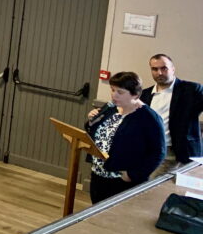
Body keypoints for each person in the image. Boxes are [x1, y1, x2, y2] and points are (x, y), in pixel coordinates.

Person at [85, 71, 165, 204]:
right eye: (112, 90)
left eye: (120, 92)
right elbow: (96, 132)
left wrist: (132, 175)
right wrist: (90, 121)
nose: (114, 95)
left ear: (135, 94)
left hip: (121, 180)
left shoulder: (149, 118)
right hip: (99, 174)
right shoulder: (111, 109)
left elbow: (158, 152)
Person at [140, 54, 203, 174]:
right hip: (150, 151)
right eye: (155, 69)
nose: (159, 73)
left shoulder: (191, 90)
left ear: (173, 69)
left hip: (179, 153)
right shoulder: (145, 94)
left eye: (164, 68)